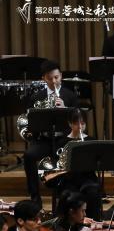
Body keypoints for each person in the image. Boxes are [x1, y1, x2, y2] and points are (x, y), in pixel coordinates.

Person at [23, 60, 79, 205]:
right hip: (44, 139)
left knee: (71, 154)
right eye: (50, 78)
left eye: (56, 77)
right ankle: (35, 197)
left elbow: (77, 122)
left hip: (64, 139)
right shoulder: (36, 97)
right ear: (44, 78)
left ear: (61, 76)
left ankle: (66, 196)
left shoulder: (70, 96)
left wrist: (65, 109)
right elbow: (30, 123)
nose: (54, 81)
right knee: (29, 156)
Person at [42, 108, 102, 218]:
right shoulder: (62, 142)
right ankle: (67, 222)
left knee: (93, 192)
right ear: (70, 123)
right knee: (68, 194)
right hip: (68, 179)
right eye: (76, 123)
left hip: (87, 178)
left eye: (82, 123)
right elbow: (58, 164)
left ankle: (94, 221)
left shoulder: (91, 140)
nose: (80, 126)